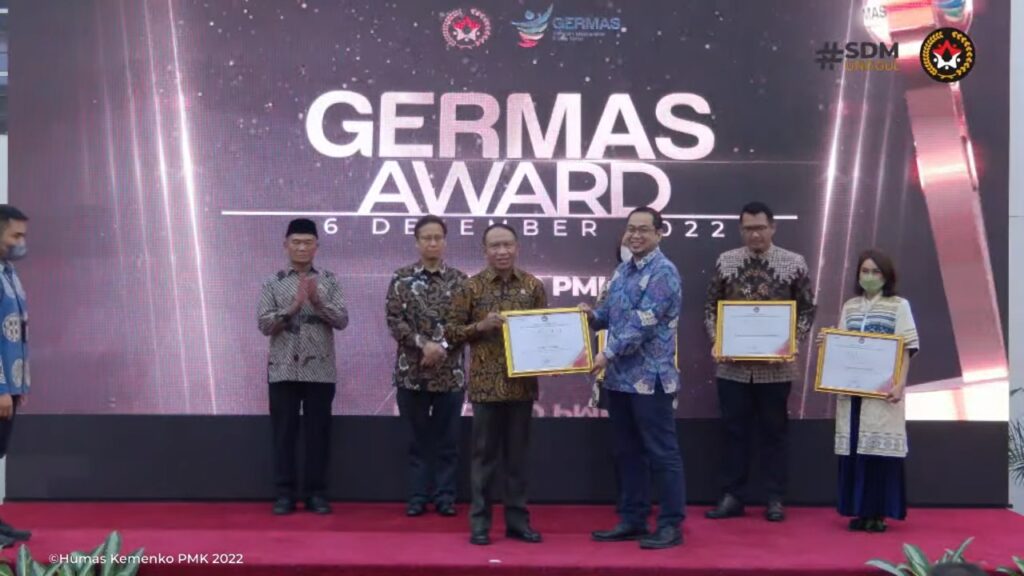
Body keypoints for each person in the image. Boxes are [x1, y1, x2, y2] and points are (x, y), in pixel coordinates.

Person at [704, 201, 816, 522]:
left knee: (774, 432)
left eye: (761, 228)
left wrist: (794, 341)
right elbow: (711, 307)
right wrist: (716, 340)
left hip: (776, 368)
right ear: (741, 230)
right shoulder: (726, 261)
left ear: (773, 227)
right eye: (749, 229)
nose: (755, 235)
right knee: (733, 431)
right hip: (732, 367)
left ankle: (774, 498)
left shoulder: (794, 263)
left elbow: (807, 309)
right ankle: (732, 496)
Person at [582, 207, 686, 550]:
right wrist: (589, 317)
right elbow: (609, 315)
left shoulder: (664, 272)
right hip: (620, 379)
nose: (635, 235)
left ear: (659, 233)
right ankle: (633, 519)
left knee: (662, 453)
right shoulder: (622, 270)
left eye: (643, 229)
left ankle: (670, 524)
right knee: (627, 452)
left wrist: (606, 353)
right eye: (631, 229)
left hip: (650, 379)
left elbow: (643, 324)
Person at [446, 224, 546, 546]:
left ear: (517, 247)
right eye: (495, 246)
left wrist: (558, 359)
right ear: (484, 250)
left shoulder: (533, 286)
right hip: (485, 386)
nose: (502, 251)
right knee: (484, 459)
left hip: (522, 386)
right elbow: (451, 332)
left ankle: (518, 523)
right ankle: (480, 524)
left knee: (517, 459)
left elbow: (546, 332)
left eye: (507, 245)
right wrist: (480, 326)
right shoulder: (470, 287)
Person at [257, 218, 349, 515]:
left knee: (317, 434)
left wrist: (318, 303)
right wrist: (293, 306)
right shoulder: (273, 282)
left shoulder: (330, 281)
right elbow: (264, 325)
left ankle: (316, 494)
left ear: (316, 247)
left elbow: (342, 320)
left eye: (307, 243)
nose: (301, 248)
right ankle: (284, 494)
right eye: (296, 242)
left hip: (320, 371)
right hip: (282, 369)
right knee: (283, 434)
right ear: (285, 245)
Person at [828, 249, 918, 533]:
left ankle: (878, 513)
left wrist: (900, 384)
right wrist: (828, 343)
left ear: (886, 276)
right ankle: (859, 510)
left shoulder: (898, 305)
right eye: (864, 271)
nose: (869, 276)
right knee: (855, 449)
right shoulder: (850, 306)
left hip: (882, 392)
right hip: (853, 391)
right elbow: (842, 344)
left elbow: (906, 348)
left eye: (875, 271)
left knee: (878, 452)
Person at [385, 215, 467, 518]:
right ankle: (418, 496)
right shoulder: (401, 278)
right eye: (426, 238)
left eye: (437, 238)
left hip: (450, 375)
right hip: (412, 373)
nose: (432, 243)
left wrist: (440, 347)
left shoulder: (460, 280)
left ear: (444, 242)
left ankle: (445, 497)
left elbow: (465, 323)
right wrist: (423, 344)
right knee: (416, 442)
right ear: (417, 242)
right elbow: (394, 321)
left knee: (448, 442)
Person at [0, 206, 33, 546]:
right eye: (16, 235)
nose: (21, 242)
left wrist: (19, 383)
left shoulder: (8, 272)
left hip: (11, 382)